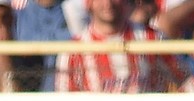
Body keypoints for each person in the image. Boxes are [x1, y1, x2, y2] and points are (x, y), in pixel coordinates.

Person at [54, 0, 183, 93]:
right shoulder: (73, 51)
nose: (108, 3)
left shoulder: (151, 38)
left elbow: (183, 79)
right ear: (89, 3)